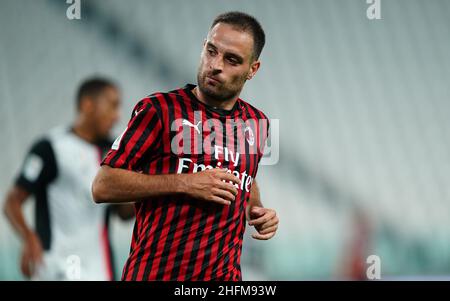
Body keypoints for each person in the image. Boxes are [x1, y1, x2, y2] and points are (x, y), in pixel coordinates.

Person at [92, 11, 279, 281]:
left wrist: (257, 209)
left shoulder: (257, 123)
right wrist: (186, 183)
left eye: (232, 60)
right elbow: (103, 185)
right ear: (204, 47)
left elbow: (246, 178)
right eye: (212, 51)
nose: (216, 65)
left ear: (253, 69)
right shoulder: (158, 110)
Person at [3, 78, 133, 281]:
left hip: (100, 269)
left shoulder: (113, 152)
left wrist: (154, 189)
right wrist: (29, 238)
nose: (117, 116)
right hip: (57, 268)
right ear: (87, 105)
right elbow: (13, 202)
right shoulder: (51, 148)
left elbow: (123, 212)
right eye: (112, 105)